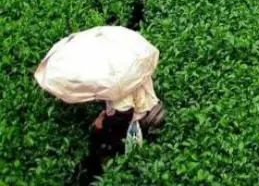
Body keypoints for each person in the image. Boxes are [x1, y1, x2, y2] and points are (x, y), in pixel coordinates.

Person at [35, 26, 164, 150]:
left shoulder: (118, 84)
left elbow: (123, 114)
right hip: (147, 103)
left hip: (139, 115)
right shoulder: (130, 62)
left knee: (116, 140)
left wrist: (103, 123)